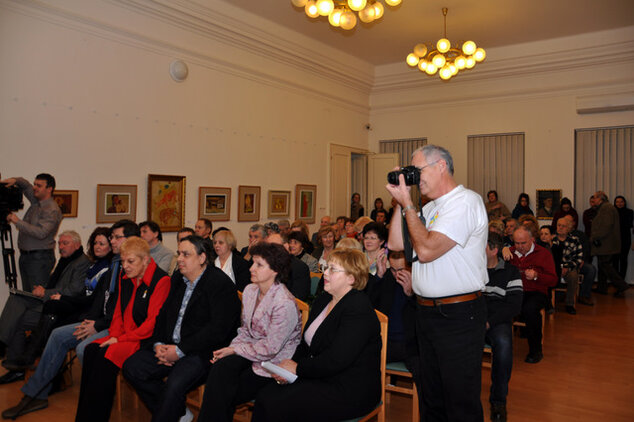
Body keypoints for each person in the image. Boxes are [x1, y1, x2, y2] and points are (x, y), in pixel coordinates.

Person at [386, 145, 488, 421]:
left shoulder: (466, 202)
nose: (415, 179)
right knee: (432, 398)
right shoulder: (429, 208)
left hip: (458, 315)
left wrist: (408, 204)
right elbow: (396, 243)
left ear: (441, 166)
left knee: (460, 402)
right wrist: (399, 200)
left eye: (417, 171)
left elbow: (428, 249)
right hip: (425, 313)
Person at [0, 221, 137, 419]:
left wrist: (97, 325)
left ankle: (93, 401)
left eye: (116, 237)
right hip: (99, 320)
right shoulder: (115, 263)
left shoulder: (129, 266)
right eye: (111, 237)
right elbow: (99, 299)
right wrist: (90, 321)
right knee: (57, 334)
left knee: (81, 347)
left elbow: (126, 311)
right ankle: (36, 394)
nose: (111, 241)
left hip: (116, 327)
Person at [252, 248, 381, 422]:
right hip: (321, 377)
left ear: (352, 278)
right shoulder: (323, 300)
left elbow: (337, 359)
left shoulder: (359, 308)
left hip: (350, 388)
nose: (325, 273)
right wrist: (286, 367)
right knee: (266, 394)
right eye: (327, 267)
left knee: (278, 403)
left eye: (333, 269)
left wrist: (297, 369)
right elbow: (306, 345)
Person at [122, 235, 241, 422]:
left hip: (202, 352)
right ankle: (177, 411)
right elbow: (163, 315)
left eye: (186, 254)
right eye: (179, 254)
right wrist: (159, 344)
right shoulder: (178, 278)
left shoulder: (221, 284)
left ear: (202, 258)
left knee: (174, 384)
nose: (179, 259)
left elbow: (217, 331)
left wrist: (180, 351)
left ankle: (171, 411)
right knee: (132, 367)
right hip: (171, 345)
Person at [197, 243, 301, 421]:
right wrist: (230, 349)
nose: (251, 268)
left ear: (275, 270)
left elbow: (271, 348)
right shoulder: (250, 291)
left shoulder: (284, 303)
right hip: (251, 349)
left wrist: (234, 350)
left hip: (274, 362)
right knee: (220, 368)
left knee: (223, 391)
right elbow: (245, 330)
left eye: (259, 265)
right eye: (253, 263)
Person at [75, 236, 170, 422]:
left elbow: (152, 324)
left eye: (130, 261)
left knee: (104, 357)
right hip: (125, 335)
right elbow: (118, 312)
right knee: (91, 350)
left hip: (145, 339)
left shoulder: (161, 281)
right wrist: (116, 335)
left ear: (145, 260)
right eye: (123, 261)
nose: (125, 266)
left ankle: (95, 417)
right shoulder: (125, 277)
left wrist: (119, 340)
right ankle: (83, 416)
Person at [9, 227, 113, 371]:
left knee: (50, 312)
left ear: (111, 245)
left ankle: (32, 354)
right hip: (80, 304)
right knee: (19, 304)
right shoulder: (94, 264)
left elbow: (82, 295)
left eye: (101, 244)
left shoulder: (106, 267)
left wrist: (56, 295)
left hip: (90, 311)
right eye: (95, 243)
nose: (97, 246)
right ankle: (26, 356)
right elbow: (82, 293)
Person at [0, 231, 91, 384]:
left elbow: (74, 290)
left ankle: (16, 370)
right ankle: (3, 343)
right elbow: (56, 283)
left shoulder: (82, 262)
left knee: (18, 320)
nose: (61, 247)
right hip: (48, 300)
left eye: (65, 243)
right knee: (16, 299)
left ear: (77, 245)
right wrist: (43, 288)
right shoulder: (65, 260)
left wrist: (45, 292)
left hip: (61, 308)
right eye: (60, 243)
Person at [370, 250, 419, 406]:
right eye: (393, 270)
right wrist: (379, 276)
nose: (397, 274)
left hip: (411, 344)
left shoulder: (419, 280)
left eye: (401, 270)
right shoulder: (387, 279)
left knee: (426, 369)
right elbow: (370, 305)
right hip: (386, 343)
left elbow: (424, 316)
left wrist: (411, 294)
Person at [484, 233, 523, 422]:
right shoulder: (471, 269)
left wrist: (489, 322)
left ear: (494, 250)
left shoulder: (511, 271)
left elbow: (514, 306)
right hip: (473, 320)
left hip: (497, 322)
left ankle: (498, 401)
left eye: (481, 246)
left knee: (504, 343)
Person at [1, 175, 63, 291]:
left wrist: (16, 221)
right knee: (28, 294)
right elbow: (26, 186)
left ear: (49, 189)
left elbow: (41, 233)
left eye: (39, 186)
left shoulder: (51, 209)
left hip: (39, 259)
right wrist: (16, 180)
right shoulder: (36, 201)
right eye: (35, 184)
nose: (35, 188)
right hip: (28, 257)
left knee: (36, 297)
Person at [508, 226, 558, 363]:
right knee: (498, 305)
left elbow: (553, 280)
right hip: (515, 291)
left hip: (536, 292)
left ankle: (536, 351)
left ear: (532, 240)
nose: (519, 246)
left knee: (530, 310)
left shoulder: (543, 253)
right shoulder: (510, 252)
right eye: (516, 243)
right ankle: (500, 347)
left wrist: (537, 275)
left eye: (523, 243)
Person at [591, 191, 629, 297]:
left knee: (605, 265)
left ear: (600, 199)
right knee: (602, 265)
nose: (593, 200)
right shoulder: (605, 208)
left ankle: (621, 285)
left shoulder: (606, 208)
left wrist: (594, 237)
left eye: (595, 198)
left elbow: (606, 226)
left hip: (606, 243)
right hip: (605, 243)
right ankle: (602, 288)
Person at [552, 217, 583, 315]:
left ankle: (569, 304)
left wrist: (566, 267)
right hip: (553, 267)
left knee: (573, 276)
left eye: (563, 226)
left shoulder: (574, 240)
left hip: (569, 268)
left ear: (569, 228)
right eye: (558, 225)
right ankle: (548, 302)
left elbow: (578, 258)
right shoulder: (551, 239)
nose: (560, 228)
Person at [266, 233, 311, 301]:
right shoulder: (266, 265)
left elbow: (298, 299)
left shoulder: (299, 268)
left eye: (273, 247)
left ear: (286, 246)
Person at [613, 195, 633, 278]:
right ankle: (616, 281)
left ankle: (622, 281)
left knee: (623, 260)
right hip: (614, 240)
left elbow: (628, 225)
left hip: (625, 239)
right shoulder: (612, 212)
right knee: (615, 261)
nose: (619, 203)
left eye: (621, 201)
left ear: (624, 203)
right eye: (617, 202)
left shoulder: (630, 212)